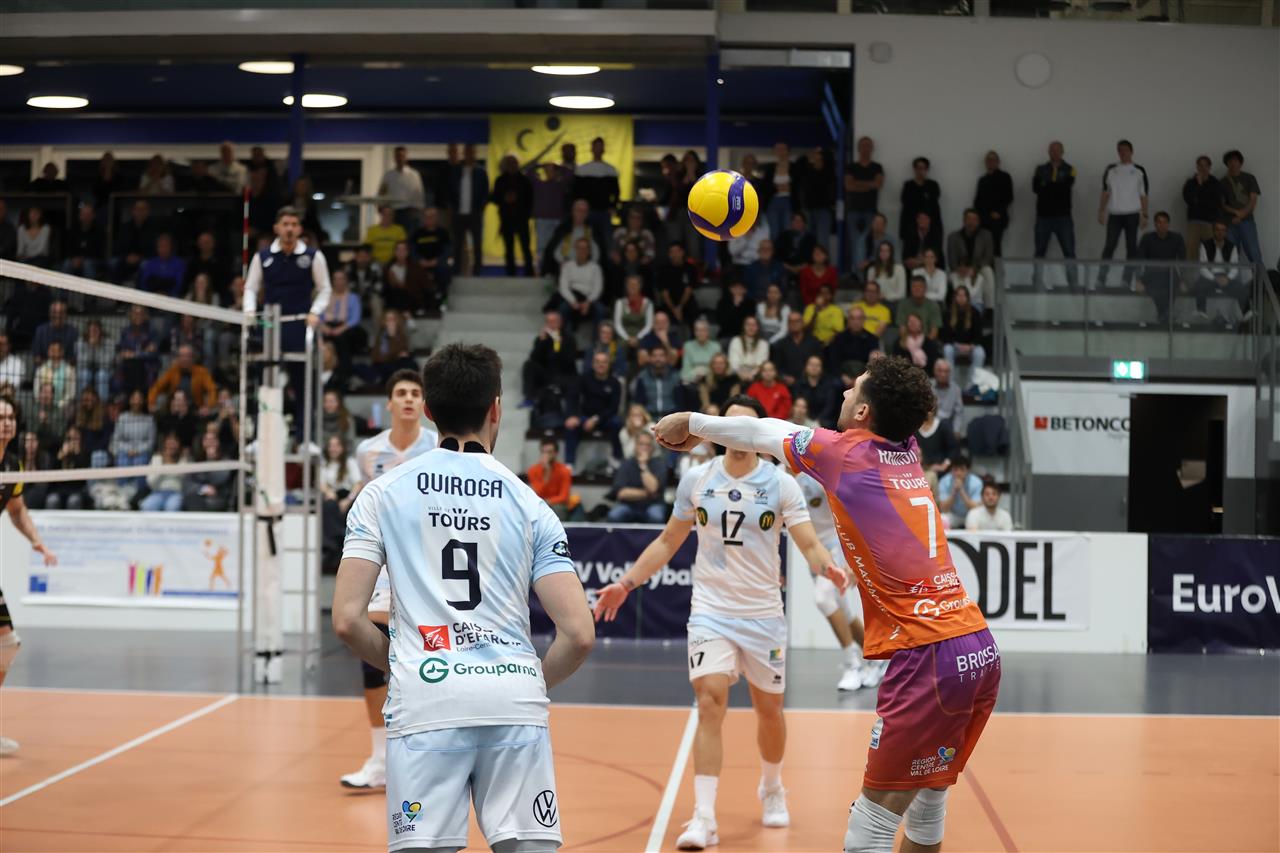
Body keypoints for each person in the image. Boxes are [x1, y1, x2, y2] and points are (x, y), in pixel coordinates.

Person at [651, 356, 999, 853]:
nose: (844, 393)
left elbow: (765, 431)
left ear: (863, 413)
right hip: (977, 648)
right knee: (926, 812)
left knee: (869, 829)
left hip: (929, 655)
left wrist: (692, 422)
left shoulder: (847, 453)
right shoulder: (908, 448)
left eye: (853, 388)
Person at [333, 344, 594, 852]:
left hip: (426, 699)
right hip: (513, 700)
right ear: (496, 408)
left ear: (429, 410)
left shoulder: (382, 493)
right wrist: (525, 680)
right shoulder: (530, 503)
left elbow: (347, 619)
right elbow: (580, 634)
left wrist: (405, 664)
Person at [597, 394, 846, 846]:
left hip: (764, 614)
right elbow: (667, 541)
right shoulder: (697, 479)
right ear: (717, 432)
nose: (736, 435)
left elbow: (809, 543)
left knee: (769, 711)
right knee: (709, 701)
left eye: (745, 426)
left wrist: (826, 566)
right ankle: (704, 817)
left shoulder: (781, 484)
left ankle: (772, 787)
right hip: (711, 611)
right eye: (728, 425)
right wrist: (627, 584)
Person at [334, 369, 440, 790]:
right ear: (390, 404)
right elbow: (368, 501)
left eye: (416, 393)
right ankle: (380, 760)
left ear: (424, 404)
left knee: (427, 651)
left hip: (426, 562)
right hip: (382, 561)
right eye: (402, 393)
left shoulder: (437, 445)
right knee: (371, 651)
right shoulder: (368, 451)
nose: (409, 399)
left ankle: (426, 754)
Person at [0, 395, 59, 756]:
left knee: (6, 645)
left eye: (10, 417)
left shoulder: (12, 466)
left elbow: (16, 509)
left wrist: (37, 541)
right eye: (0, 417)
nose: (6, 422)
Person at [791, 467, 886, 692]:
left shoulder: (815, 474)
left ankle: (853, 665)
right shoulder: (778, 478)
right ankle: (879, 659)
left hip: (835, 546)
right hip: (811, 552)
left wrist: (852, 558)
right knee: (844, 611)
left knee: (823, 599)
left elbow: (850, 512)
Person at [243, 206, 332, 435]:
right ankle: (261, 436)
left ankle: (304, 437)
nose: (289, 229)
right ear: (277, 228)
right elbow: (250, 288)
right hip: (269, 325)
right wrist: (250, 311)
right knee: (264, 382)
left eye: (294, 224)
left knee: (302, 383)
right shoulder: (262, 257)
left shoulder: (313, 256)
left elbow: (325, 289)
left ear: (300, 229)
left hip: (299, 324)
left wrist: (315, 312)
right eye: (285, 225)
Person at [1097, 139, 1149, 289]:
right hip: (1115, 214)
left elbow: (1143, 194)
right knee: (1109, 246)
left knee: (1131, 248)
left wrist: (1145, 215)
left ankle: (1126, 279)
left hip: (1132, 214)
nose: (1123, 153)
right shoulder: (1111, 170)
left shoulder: (1139, 170)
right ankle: (1101, 278)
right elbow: (1106, 192)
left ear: (1131, 152)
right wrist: (1101, 210)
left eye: (1125, 150)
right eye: (1120, 150)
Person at [564, 350, 624, 466]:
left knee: (617, 422)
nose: (601, 365)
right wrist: (573, 416)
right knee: (571, 425)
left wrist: (596, 419)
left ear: (609, 364)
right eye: (597, 362)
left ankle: (617, 458)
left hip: (606, 419)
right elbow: (572, 398)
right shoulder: (583, 379)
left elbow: (614, 408)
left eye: (604, 362)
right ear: (593, 364)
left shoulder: (615, 383)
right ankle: (569, 463)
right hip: (585, 417)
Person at [1032, 141, 1078, 280]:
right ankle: (1037, 282)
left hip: (1063, 217)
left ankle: (1073, 283)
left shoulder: (1070, 169)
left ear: (1062, 152)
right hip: (1043, 217)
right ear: (1048, 152)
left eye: (1057, 150)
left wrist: (1046, 185)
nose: (1055, 153)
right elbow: (1035, 188)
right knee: (1039, 252)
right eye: (1052, 150)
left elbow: (1066, 188)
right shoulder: (1040, 169)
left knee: (1069, 252)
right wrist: (1055, 186)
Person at [606, 431, 669, 523]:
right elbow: (621, 494)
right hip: (629, 505)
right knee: (614, 515)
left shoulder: (659, 464)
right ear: (635, 446)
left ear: (652, 448)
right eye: (641, 444)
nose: (644, 448)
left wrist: (643, 465)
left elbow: (652, 488)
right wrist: (648, 494)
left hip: (653, 504)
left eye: (648, 445)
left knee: (656, 516)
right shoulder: (626, 464)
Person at [1136, 212, 1187, 323]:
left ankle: (1163, 314)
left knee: (1172, 285)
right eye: (1159, 222)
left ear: (1168, 224)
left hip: (1170, 274)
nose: (1162, 225)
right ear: (1155, 224)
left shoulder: (1177, 238)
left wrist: (1183, 280)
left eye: (1164, 222)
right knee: (1157, 287)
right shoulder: (1147, 238)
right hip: (1152, 274)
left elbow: (1183, 261)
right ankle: (1165, 314)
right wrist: (1138, 280)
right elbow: (1139, 260)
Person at [448, 143, 489, 276]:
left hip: (475, 215)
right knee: (457, 245)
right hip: (458, 215)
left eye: (472, 152)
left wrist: (480, 209)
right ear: (464, 154)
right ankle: (457, 272)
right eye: (467, 152)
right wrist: (452, 208)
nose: (469, 154)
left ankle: (477, 273)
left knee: (477, 245)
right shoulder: (456, 171)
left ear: (475, 154)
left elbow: (485, 193)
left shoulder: (481, 172)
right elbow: (450, 191)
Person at [845, 136, 885, 270]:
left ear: (872, 148)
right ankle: (855, 272)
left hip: (870, 210)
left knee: (871, 241)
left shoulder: (877, 167)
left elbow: (878, 184)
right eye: (863, 145)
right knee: (854, 242)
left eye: (868, 146)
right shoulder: (851, 167)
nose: (865, 148)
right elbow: (848, 186)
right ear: (858, 148)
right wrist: (869, 185)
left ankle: (870, 269)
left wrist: (858, 183)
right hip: (853, 209)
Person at [573, 136, 622, 244]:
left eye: (600, 146)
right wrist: (579, 210)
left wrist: (613, 206)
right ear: (592, 148)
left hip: (604, 212)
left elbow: (616, 191)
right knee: (586, 239)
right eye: (596, 146)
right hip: (586, 212)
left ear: (603, 149)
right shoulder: (582, 170)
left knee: (606, 240)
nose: (598, 149)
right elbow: (576, 192)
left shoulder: (611, 170)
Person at [492, 154, 535, 276]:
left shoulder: (525, 180)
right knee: (508, 248)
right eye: (509, 163)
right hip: (506, 219)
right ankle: (510, 274)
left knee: (525, 247)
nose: (512, 165)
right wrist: (504, 198)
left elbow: (530, 199)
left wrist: (518, 200)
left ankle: (529, 273)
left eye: (514, 163)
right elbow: (494, 197)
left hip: (522, 219)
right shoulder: (500, 180)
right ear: (506, 165)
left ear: (517, 164)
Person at [148, 343, 217, 415]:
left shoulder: (201, 372)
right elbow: (156, 387)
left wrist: (209, 406)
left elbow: (212, 389)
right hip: (174, 410)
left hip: (195, 410)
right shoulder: (172, 371)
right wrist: (151, 403)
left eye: (188, 356)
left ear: (193, 358)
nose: (185, 359)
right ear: (178, 358)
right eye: (182, 356)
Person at [946, 209, 995, 311]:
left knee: (988, 271)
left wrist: (974, 269)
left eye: (974, 219)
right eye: (969, 219)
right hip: (960, 269)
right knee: (953, 277)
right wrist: (961, 269)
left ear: (978, 221)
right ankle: (957, 308)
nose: (971, 222)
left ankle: (990, 309)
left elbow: (988, 258)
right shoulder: (953, 237)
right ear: (964, 220)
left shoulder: (986, 235)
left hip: (979, 268)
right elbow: (952, 261)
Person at [1220, 149, 1262, 264]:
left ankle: (1260, 276)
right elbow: (1222, 204)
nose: (1233, 163)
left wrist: (1242, 214)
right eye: (1230, 161)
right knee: (1231, 256)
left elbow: (1253, 200)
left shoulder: (1249, 178)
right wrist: (1235, 213)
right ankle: (1233, 277)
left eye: (1235, 160)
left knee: (1254, 254)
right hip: (1229, 223)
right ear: (1226, 163)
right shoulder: (1222, 182)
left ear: (1240, 162)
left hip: (1247, 221)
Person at [556, 237, 605, 330]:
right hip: (572, 298)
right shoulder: (567, 266)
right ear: (575, 250)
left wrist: (588, 302)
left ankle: (597, 338)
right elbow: (563, 287)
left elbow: (598, 288)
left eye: (585, 248)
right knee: (563, 308)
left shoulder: (595, 268)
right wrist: (573, 302)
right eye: (579, 248)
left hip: (589, 299)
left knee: (601, 310)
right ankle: (565, 337)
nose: (582, 251)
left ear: (589, 251)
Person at [378, 146, 427, 233]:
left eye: (402, 156)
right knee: (394, 237)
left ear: (406, 157)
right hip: (393, 212)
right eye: (398, 156)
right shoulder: (388, 175)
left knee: (409, 237)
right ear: (394, 158)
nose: (400, 158)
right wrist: (380, 207)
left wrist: (418, 209)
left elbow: (419, 194)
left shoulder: (414, 175)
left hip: (409, 212)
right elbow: (382, 192)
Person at [973, 151, 1013, 256]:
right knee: (982, 248)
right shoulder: (982, 180)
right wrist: (977, 216)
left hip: (997, 218)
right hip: (983, 218)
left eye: (993, 160)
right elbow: (978, 200)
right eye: (988, 160)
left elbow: (1008, 197)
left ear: (998, 162)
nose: (991, 162)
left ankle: (997, 267)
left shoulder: (1005, 177)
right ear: (985, 162)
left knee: (995, 247)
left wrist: (998, 211)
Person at [1182, 155, 1221, 260]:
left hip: (1210, 222)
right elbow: (1189, 200)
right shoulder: (1191, 183)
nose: (1203, 168)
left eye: (1205, 165)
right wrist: (1199, 185)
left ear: (1209, 167)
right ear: (1197, 167)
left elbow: (1215, 202)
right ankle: (1190, 271)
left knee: (1211, 251)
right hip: (1194, 221)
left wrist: (1199, 197)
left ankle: (1210, 271)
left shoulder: (1215, 183)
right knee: (1191, 251)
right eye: (1200, 165)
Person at [527, 437, 576, 520]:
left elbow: (564, 497)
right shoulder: (533, 470)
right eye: (543, 452)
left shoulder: (564, 471)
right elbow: (538, 493)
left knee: (558, 508)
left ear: (556, 453)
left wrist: (548, 501)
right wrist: (546, 473)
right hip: (540, 504)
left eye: (549, 452)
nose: (546, 455)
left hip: (556, 505)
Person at [941, 285, 985, 375]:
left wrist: (971, 346)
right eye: (959, 295)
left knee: (980, 353)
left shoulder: (975, 313)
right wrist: (957, 345)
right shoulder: (948, 313)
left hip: (971, 347)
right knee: (947, 349)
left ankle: (973, 381)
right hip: (954, 346)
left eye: (964, 295)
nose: (961, 298)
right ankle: (950, 380)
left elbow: (979, 335)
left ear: (967, 298)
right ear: (955, 297)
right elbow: (945, 335)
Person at [631, 343, 682, 418]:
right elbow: (639, 403)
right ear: (649, 358)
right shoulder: (642, 377)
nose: (658, 359)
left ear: (666, 358)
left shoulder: (675, 377)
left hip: (671, 418)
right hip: (648, 418)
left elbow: (680, 402)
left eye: (661, 356)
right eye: (654, 356)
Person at [772, 311, 823, 386]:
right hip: (787, 384)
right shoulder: (780, 345)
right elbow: (776, 367)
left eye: (797, 321)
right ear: (788, 324)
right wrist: (783, 377)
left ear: (802, 323)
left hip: (811, 384)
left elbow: (820, 364)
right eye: (791, 321)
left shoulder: (814, 343)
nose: (794, 324)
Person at [899, 157, 942, 244]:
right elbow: (905, 202)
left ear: (927, 170)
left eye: (923, 168)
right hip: (911, 223)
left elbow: (933, 203)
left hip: (930, 224)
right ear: (914, 169)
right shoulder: (908, 185)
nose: (920, 171)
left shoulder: (933, 185)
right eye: (918, 168)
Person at [827, 306, 879, 374]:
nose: (856, 322)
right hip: (842, 375)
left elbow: (874, 365)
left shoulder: (872, 339)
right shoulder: (838, 338)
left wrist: (862, 378)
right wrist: (842, 376)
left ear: (864, 320)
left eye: (859, 318)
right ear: (848, 320)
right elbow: (833, 362)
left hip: (864, 376)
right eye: (852, 318)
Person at [141, 432, 186, 512]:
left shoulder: (183, 459)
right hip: (158, 493)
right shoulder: (156, 458)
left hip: (176, 493)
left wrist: (171, 464)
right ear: (165, 444)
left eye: (174, 443)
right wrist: (162, 467)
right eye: (169, 443)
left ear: (178, 445)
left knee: (172, 507)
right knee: (147, 506)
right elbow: (150, 481)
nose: (171, 446)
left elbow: (184, 478)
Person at [657, 241, 697, 328]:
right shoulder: (664, 270)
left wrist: (680, 307)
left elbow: (688, 290)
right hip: (670, 303)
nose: (675, 254)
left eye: (677, 251)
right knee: (662, 314)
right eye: (672, 252)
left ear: (682, 252)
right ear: (669, 254)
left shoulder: (689, 268)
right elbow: (665, 293)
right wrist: (674, 309)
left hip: (686, 302)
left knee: (693, 310)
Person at [937, 455, 983, 530]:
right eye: (955, 469)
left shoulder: (977, 482)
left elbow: (975, 508)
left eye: (962, 469)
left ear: (968, 470)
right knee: (942, 518)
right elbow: (943, 509)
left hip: (970, 514)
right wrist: (954, 493)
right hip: (953, 514)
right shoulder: (944, 481)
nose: (958, 473)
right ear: (951, 470)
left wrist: (961, 491)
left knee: (974, 516)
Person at [63, 204, 105, 282]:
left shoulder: (99, 231)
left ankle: (89, 289)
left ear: (93, 216)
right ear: (79, 216)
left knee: (87, 264)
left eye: (88, 215)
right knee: (67, 263)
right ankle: (63, 289)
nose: (85, 217)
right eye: (83, 214)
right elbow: (68, 247)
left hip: (92, 259)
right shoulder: (73, 229)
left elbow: (98, 251)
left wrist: (82, 259)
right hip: (75, 258)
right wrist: (74, 258)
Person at [728, 314, 769, 384]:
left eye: (754, 325)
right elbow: (734, 363)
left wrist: (751, 375)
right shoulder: (736, 340)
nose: (751, 327)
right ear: (744, 327)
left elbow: (761, 364)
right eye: (748, 325)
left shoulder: (763, 344)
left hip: (756, 376)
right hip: (737, 375)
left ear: (758, 328)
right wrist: (742, 374)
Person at [681, 317, 721, 385]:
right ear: (694, 332)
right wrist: (696, 375)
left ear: (708, 332)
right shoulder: (688, 346)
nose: (700, 333)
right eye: (697, 330)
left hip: (711, 380)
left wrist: (704, 373)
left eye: (703, 330)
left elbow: (717, 368)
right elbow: (685, 370)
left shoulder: (716, 346)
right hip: (693, 380)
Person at [744, 239, 785, 303]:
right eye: (763, 249)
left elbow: (783, 288)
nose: (765, 251)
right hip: (755, 302)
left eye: (768, 249)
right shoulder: (750, 268)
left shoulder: (779, 268)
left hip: (775, 303)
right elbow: (746, 289)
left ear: (772, 251)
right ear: (758, 251)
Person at [714, 278, 756, 343]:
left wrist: (739, 305)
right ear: (730, 289)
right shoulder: (723, 302)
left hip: (743, 334)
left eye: (740, 288)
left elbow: (748, 321)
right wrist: (735, 305)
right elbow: (721, 321)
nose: (738, 291)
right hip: (726, 334)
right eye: (735, 288)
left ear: (745, 290)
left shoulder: (750, 303)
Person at [931, 359, 964, 434]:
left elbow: (959, 413)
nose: (943, 374)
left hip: (947, 425)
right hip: (930, 424)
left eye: (946, 371)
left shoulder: (956, 389)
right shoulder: (928, 386)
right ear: (934, 371)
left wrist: (956, 430)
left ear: (950, 373)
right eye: (940, 371)